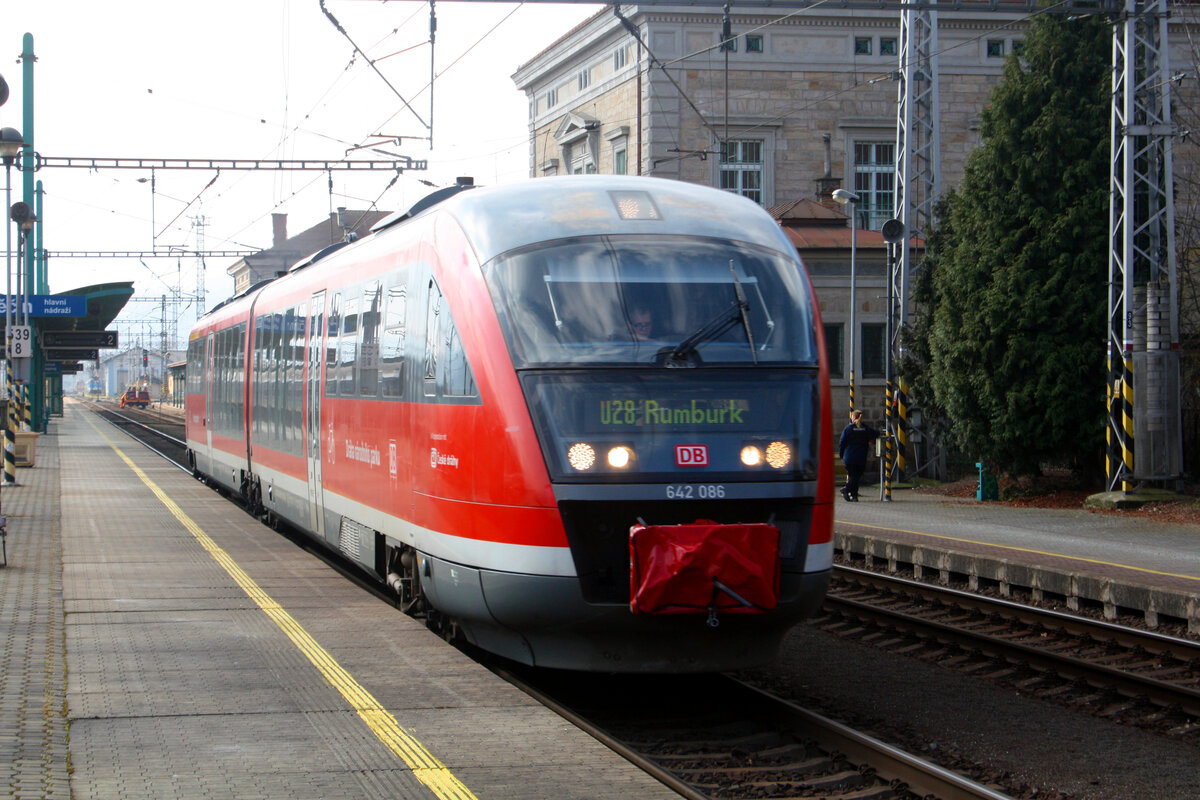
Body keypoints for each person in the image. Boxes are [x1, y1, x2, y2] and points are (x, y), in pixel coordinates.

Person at [838, 409, 878, 501]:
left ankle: (848, 491)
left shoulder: (848, 429)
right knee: (856, 477)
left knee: (853, 476)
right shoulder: (865, 429)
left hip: (849, 457)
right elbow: (875, 433)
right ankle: (852, 494)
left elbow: (842, 442)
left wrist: (841, 454)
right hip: (861, 457)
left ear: (853, 417)